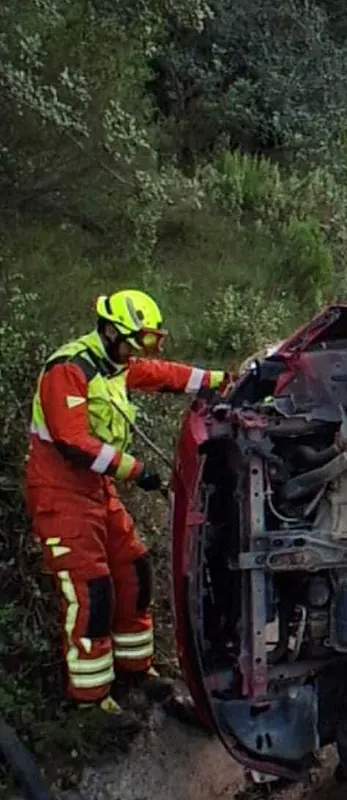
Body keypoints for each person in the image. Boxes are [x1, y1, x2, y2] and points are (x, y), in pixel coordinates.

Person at [24, 290, 229, 714]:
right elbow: (73, 441)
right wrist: (136, 470)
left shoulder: (115, 363)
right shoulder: (69, 370)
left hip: (97, 488)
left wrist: (219, 380)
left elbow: (162, 375)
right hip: (60, 491)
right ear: (112, 332)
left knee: (134, 569)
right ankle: (91, 698)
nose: (140, 353)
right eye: (138, 342)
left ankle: (136, 671)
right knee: (91, 590)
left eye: (149, 343)